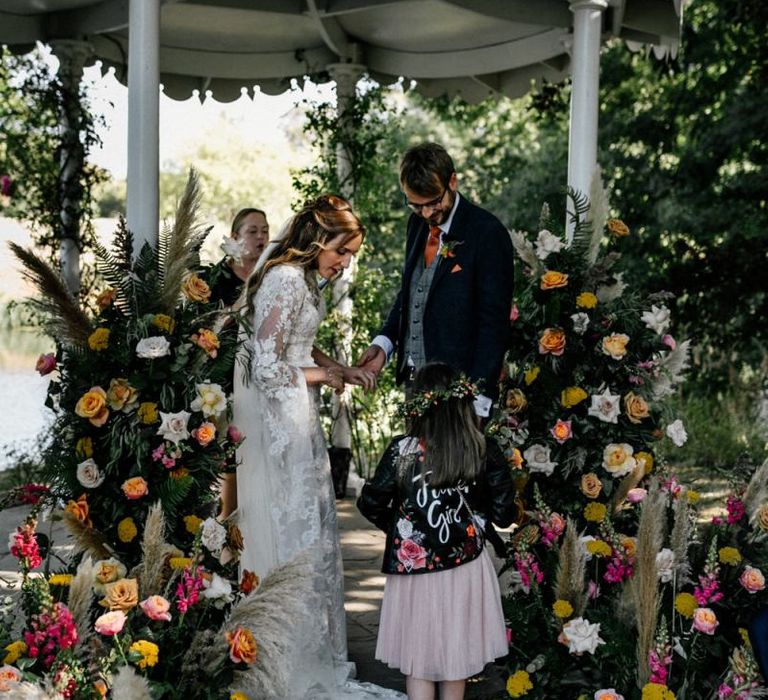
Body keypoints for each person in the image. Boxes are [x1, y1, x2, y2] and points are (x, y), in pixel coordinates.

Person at [231, 195, 401, 700]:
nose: (345, 262)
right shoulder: (284, 278)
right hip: (280, 418)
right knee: (293, 529)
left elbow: (298, 343)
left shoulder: (305, 280)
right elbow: (265, 365)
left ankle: (313, 650)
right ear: (319, 238)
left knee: (312, 527)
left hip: (298, 413)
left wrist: (339, 367)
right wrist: (322, 376)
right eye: (342, 251)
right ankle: (286, 657)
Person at [358, 363, 516, 700]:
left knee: (419, 658)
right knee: (454, 657)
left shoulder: (402, 450)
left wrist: (406, 530)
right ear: (461, 402)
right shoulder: (482, 448)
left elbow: (370, 503)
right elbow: (503, 514)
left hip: (415, 569)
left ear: (419, 403)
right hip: (466, 566)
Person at [357, 143, 515, 416]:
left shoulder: (487, 232)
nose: (427, 214)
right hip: (414, 383)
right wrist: (384, 343)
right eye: (416, 205)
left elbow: (494, 323)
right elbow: (413, 291)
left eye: (433, 202)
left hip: (461, 392)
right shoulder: (415, 223)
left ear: (452, 181)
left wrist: (479, 399)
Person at [209, 207, 271, 306]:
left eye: (265, 231)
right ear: (235, 237)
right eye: (252, 231)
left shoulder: (272, 273)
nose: (260, 236)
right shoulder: (216, 278)